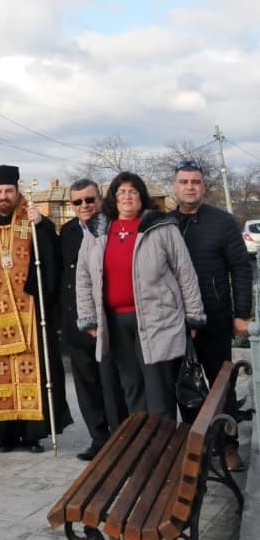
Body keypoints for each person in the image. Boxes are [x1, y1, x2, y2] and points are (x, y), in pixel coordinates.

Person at [76, 170, 205, 420]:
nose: (126, 197)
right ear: (113, 198)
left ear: (141, 196)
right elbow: (83, 276)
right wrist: (88, 317)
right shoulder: (98, 230)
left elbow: (185, 272)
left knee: (158, 390)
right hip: (115, 322)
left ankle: (163, 450)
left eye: (133, 191)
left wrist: (194, 316)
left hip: (157, 320)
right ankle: (142, 449)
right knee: (132, 387)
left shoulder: (161, 226)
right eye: (121, 192)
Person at [0, 164, 72, 452]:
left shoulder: (34, 220)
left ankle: (32, 434)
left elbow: (51, 261)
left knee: (32, 372)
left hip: (30, 314)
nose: (3, 196)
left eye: (8, 191)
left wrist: (43, 226)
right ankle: (6, 435)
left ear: (17, 192)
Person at [171, 158, 253, 471]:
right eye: (184, 182)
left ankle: (228, 445)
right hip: (177, 323)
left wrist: (241, 314)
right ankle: (199, 446)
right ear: (175, 186)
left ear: (204, 186)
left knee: (223, 386)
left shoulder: (222, 222)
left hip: (216, 318)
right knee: (186, 388)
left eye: (195, 182)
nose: (190, 187)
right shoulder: (167, 223)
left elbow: (241, 269)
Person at [59, 179, 127, 460]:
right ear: (72, 205)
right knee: (86, 384)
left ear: (100, 200)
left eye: (89, 200)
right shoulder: (67, 232)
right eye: (78, 202)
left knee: (112, 384)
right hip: (77, 322)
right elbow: (64, 275)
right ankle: (99, 438)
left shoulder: (111, 228)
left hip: (106, 322)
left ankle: (121, 438)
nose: (85, 206)